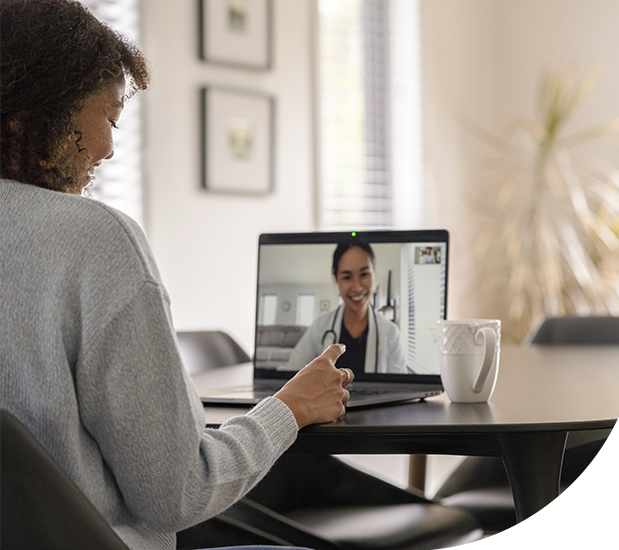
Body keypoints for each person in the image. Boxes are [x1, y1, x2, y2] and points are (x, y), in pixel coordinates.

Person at [0, 2, 353, 549]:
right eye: (110, 118)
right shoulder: (95, 239)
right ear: (49, 107)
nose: (110, 148)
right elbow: (178, 494)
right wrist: (290, 408)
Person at [286, 241, 406, 375]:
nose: (357, 287)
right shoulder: (320, 326)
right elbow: (292, 374)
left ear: (374, 275)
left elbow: (399, 386)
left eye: (364, 274)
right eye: (347, 277)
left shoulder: (390, 333)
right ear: (337, 280)